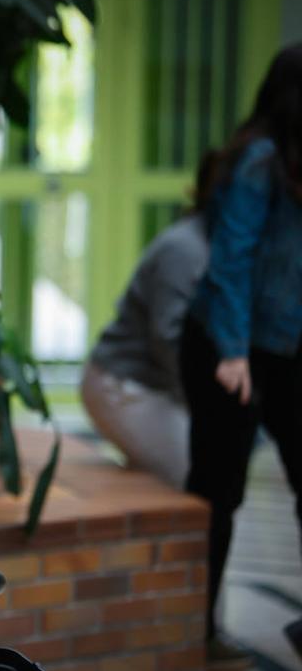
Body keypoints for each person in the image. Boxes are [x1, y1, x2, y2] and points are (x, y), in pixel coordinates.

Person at [179, 42, 302, 671]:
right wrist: (232, 352)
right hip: (230, 347)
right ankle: (197, 633)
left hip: (279, 347)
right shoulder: (259, 158)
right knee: (218, 491)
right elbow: (232, 258)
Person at [81, 155, 215, 489]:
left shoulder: (219, 247)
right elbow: (168, 338)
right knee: (198, 473)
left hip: (158, 388)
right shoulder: (185, 249)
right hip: (126, 384)